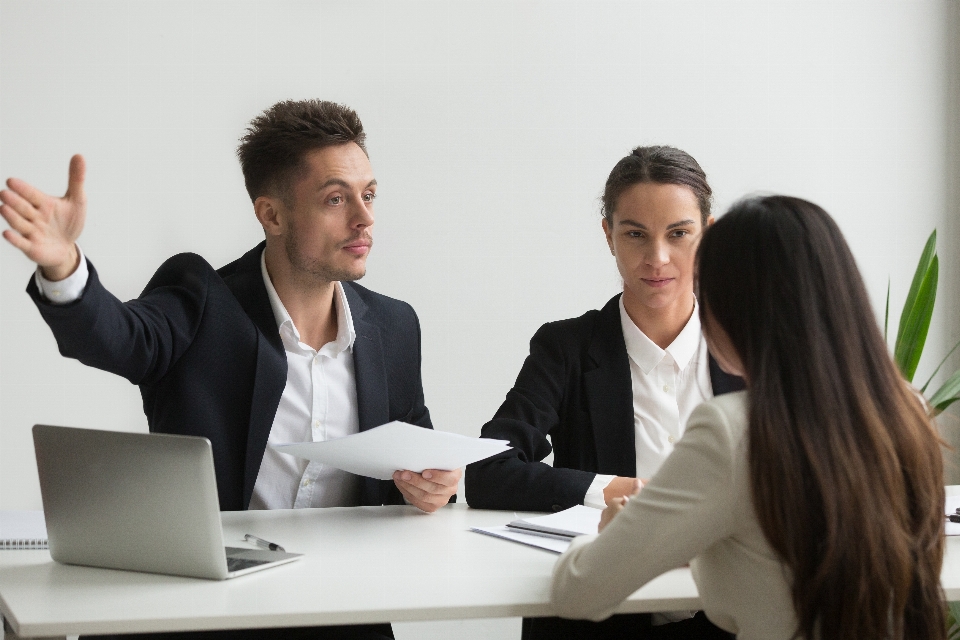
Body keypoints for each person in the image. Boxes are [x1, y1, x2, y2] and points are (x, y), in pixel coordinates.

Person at [0, 99, 460, 640]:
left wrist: (438, 487)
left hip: (343, 612)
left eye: (369, 194)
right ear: (272, 214)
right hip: (206, 613)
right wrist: (64, 266)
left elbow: (418, 454)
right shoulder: (201, 299)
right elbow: (119, 338)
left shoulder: (394, 326)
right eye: (336, 198)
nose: (365, 218)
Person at [551, 195, 946, 640]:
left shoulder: (730, 430)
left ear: (732, 307)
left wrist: (614, 533)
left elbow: (577, 591)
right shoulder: (910, 411)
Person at [465, 146, 742, 639]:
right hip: (603, 619)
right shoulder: (566, 347)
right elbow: (487, 472)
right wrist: (608, 489)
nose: (657, 258)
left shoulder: (750, 347)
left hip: (728, 617)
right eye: (635, 234)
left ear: (709, 234)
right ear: (608, 236)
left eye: (678, 234)